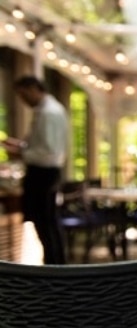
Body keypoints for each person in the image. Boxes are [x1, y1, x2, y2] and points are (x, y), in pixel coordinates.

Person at [2, 76, 69, 264]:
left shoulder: (49, 113)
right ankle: (54, 265)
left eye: (23, 95)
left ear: (33, 89)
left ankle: (55, 267)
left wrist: (21, 154)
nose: (23, 101)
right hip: (43, 172)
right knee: (46, 223)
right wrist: (22, 147)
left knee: (46, 223)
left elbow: (49, 152)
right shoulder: (46, 111)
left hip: (43, 174)